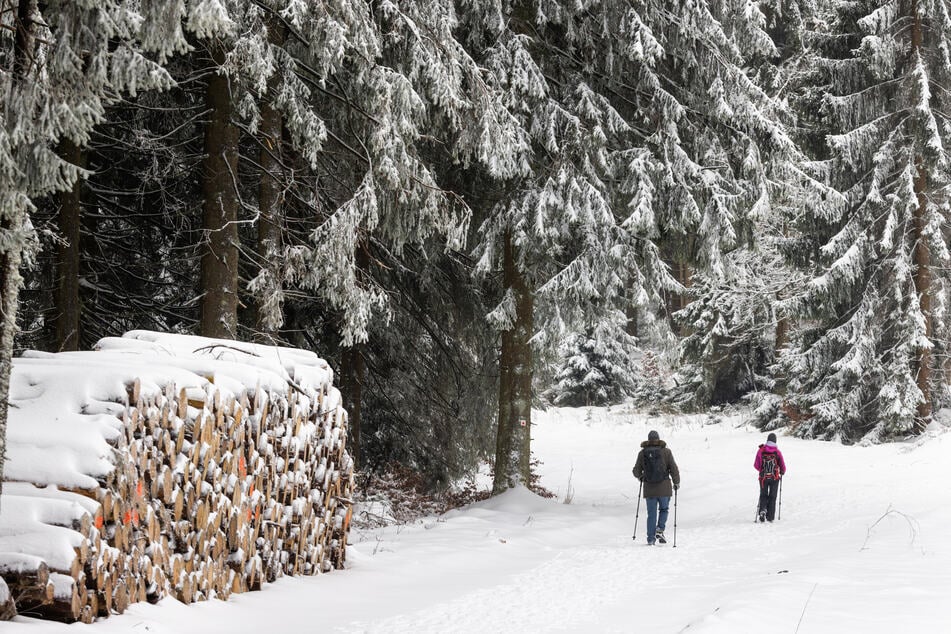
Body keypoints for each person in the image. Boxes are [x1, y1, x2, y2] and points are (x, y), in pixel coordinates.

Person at [632, 430, 680, 545]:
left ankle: (650, 539)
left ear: (649, 440)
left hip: (649, 489)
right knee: (664, 510)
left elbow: (636, 470)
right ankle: (660, 529)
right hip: (664, 487)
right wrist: (676, 482)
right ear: (658, 439)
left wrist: (641, 477)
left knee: (651, 514)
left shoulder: (642, 453)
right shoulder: (667, 452)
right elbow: (673, 468)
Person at [754, 432, 786, 522]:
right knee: (773, 496)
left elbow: (756, 465)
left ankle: (762, 510)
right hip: (774, 478)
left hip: (763, 478)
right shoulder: (777, 452)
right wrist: (782, 471)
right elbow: (782, 466)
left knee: (763, 495)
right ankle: (770, 517)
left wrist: (761, 470)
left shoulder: (761, 450)